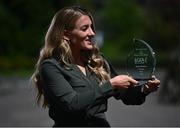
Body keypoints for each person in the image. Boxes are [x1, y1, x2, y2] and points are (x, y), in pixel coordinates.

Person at [31, 6, 160, 127]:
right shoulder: (50, 67)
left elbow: (128, 96)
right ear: (66, 35)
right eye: (84, 28)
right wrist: (111, 85)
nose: (92, 33)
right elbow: (72, 104)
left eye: (92, 27)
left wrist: (145, 89)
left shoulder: (97, 62)